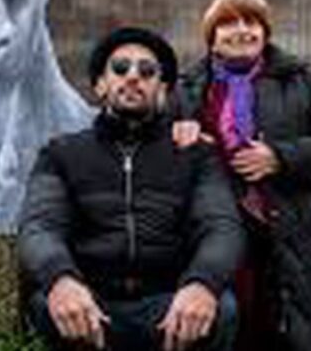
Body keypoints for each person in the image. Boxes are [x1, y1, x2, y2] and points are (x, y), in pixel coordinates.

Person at [19, 26, 245, 351]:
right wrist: (61, 280)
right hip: (90, 304)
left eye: (148, 70)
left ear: (162, 88)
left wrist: (202, 283)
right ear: (100, 84)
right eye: (120, 68)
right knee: (47, 303)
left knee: (221, 307)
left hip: (169, 305)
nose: (133, 76)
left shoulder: (195, 154)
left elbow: (221, 226)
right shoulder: (61, 153)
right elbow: (40, 226)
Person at [173, 0, 311, 351]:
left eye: (251, 22)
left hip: (294, 234)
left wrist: (280, 157)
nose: (241, 30)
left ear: (265, 32)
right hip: (218, 238)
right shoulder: (185, 91)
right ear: (211, 38)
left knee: (300, 334)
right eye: (228, 23)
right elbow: (158, 163)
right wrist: (180, 142)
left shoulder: (304, 80)